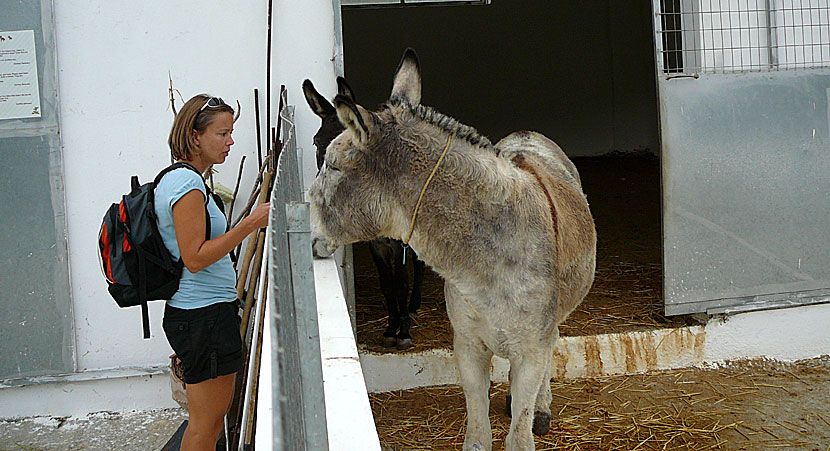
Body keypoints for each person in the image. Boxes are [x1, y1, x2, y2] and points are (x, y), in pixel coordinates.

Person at [156, 94, 269, 450]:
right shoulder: (187, 185)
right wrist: (250, 224)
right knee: (206, 426)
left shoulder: (185, 180)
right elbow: (195, 257)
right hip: (201, 317)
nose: (231, 141)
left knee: (207, 424)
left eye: (231, 132)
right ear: (195, 137)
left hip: (203, 315)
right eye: (223, 133)